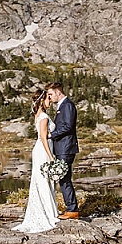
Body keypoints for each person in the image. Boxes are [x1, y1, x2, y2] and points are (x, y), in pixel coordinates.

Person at [12, 89, 60, 233]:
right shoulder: (44, 116)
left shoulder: (37, 115)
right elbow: (43, 138)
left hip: (38, 150)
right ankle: (49, 214)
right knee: (44, 180)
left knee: (41, 180)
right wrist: (51, 156)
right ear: (41, 100)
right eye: (48, 99)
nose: (50, 101)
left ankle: (47, 211)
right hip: (43, 150)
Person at [45, 82, 80, 220]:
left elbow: (67, 127)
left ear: (58, 92)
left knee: (64, 179)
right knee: (63, 179)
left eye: (51, 94)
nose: (50, 97)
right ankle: (70, 208)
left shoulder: (68, 106)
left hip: (66, 148)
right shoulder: (62, 106)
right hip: (62, 148)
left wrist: (51, 135)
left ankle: (72, 210)